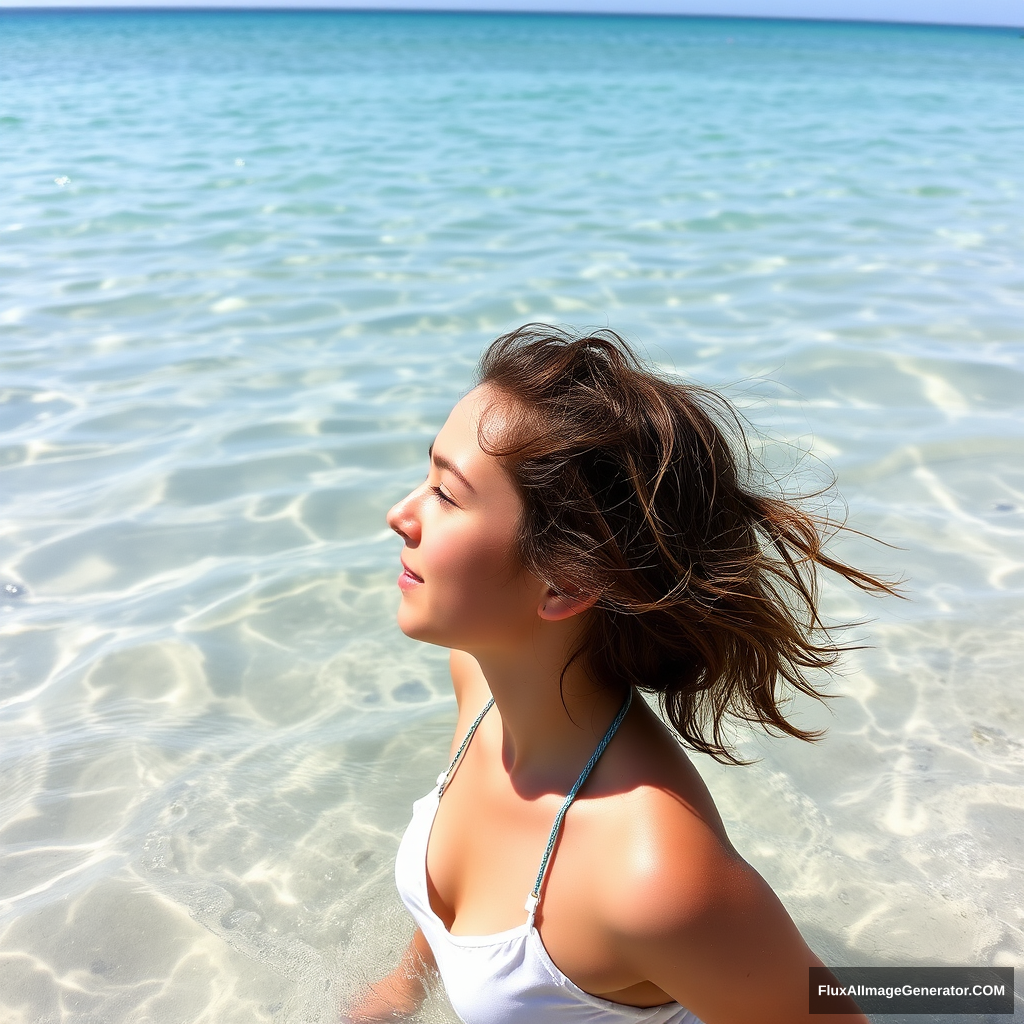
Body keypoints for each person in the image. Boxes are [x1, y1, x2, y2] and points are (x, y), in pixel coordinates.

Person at [346, 325, 887, 1024]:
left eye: (447, 496)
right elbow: (475, 888)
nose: (400, 514)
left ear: (564, 583)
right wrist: (401, 987)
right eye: (427, 478)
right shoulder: (482, 685)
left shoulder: (654, 876)